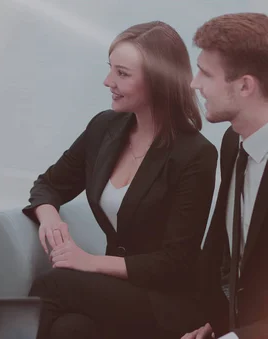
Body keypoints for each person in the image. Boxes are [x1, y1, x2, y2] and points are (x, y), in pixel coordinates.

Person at [24, 21, 218, 339]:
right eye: (110, 69)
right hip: (117, 292)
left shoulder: (196, 154)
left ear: (158, 81)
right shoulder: (104, 128)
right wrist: (49, 219)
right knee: (69, 329)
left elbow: (175, 262)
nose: (107, 81)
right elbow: (49, 184)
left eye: (122, 74)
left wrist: (89, 262)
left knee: (54, 285)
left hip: (167, 299)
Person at [181, 12, 268, 339]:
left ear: (245, 85)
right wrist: (217, 327)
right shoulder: (233, 142)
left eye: (205, 73)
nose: (194, 83)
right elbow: (229, 257)